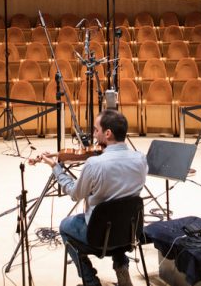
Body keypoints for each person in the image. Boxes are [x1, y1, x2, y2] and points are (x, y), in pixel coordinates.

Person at [33, 109, 147, 286]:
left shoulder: (94, 164)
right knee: (118, 215)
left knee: (65, 227)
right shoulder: (141, 159)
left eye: (96, 130)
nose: (93, 134)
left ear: (107, 133)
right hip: (129, 234)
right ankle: (121, 267)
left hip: (98, 236)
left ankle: (90, 281)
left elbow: (74, 193)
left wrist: (56, 167)